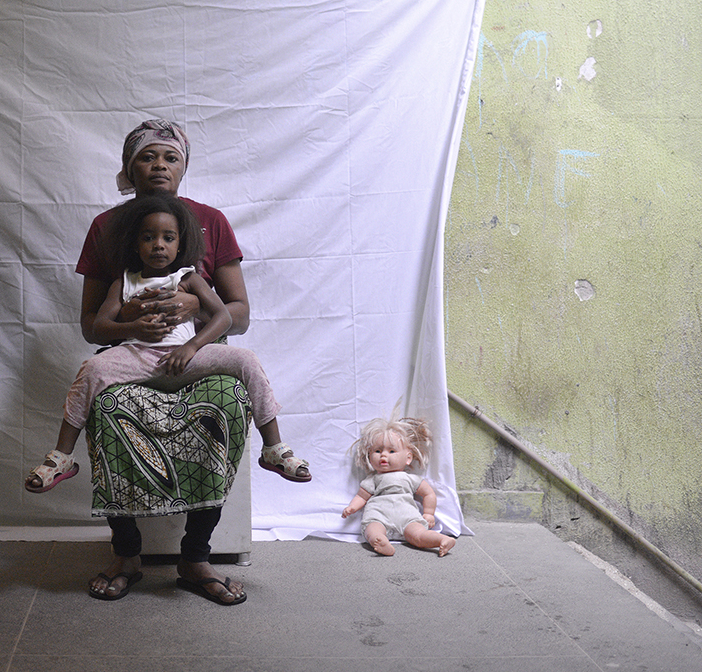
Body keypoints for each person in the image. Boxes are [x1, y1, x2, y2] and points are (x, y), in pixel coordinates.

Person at [34, 119, 303, 604]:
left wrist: (194, 308)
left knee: (223, 401)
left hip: (192, 355)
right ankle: (127, 553)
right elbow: (92, 324)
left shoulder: (210, 221)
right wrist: (132, 322)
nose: (159, 165)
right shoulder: (107, 227)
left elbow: (236, 315)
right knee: (110, 406)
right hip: (132, 356)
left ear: (184, 167)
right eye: (146, 156)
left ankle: (196, 555)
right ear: (128, 167)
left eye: (170, 157)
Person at [25, 193, 308, 495]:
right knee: (91, 369)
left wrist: (192, 346)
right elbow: (99, 326)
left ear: (180, 245)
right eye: (148, 237)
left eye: (168, 238)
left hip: (187, 359)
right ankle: (61, 457)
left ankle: (274, 448)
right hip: (139, 357)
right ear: (136, 244)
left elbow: (223, 317)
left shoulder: (188, 278)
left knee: (247, 359)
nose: (158, 244)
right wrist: (132, 327)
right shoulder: (124, 281)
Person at [341, 417, 456, 557]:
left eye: (391, 451)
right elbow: (361, 496)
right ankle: (381, 541)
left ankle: (442, 540)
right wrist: (352, 507)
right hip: (379, 515)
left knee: (419, 535)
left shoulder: (410, 479)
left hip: (407, 516)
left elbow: (428, 494)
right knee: (372, 529)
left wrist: (429, 513)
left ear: (408, 458)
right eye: (377, 451)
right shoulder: (373, 480)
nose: (383, 454)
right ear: (370, 456)